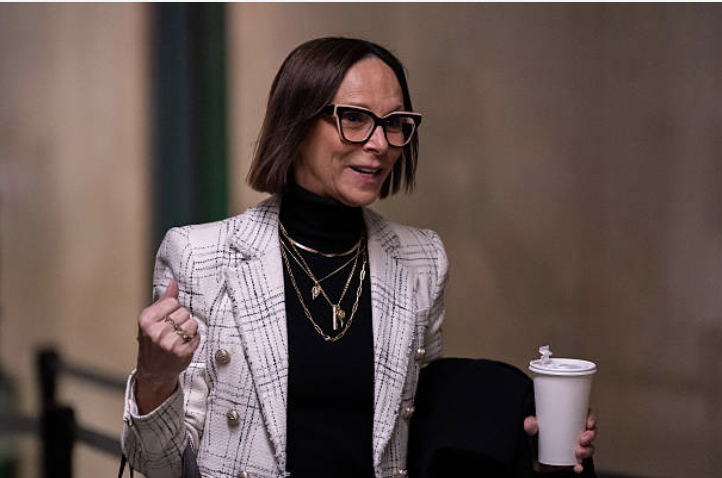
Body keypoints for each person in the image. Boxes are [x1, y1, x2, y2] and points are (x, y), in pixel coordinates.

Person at [121, 37, 596, 478]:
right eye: (354, 118)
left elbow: (421, 434)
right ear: (297, 122)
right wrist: (155, 379)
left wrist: (524, 451)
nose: (380, 144)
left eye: (395, 123)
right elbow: (156, 463)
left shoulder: (421, 259)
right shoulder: (201, 255)